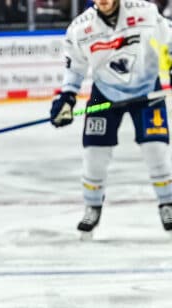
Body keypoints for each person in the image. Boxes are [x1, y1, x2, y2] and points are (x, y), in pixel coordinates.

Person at [50, 0, 172, 238]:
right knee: (94, 154)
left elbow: (169, 39)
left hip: (147, 92)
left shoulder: (144, 12)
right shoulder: (80, 28)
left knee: (155, 150)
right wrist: (67, 97)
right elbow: (74, 67)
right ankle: (92, 206)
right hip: (105, 94)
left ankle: (167, 204)